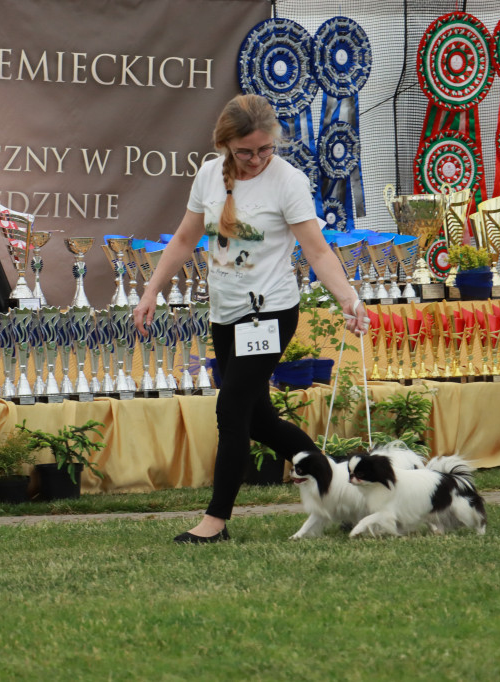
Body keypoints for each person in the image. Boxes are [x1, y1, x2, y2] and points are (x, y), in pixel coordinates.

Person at [132, 94, 368, 544]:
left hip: (271, 313)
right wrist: (150, 291)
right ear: (225, 145)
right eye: (246, 152)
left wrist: (349, 301)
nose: (257, 159)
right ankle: (333, 483)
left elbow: (317, 250)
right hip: (226, 315)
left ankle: (215, 521)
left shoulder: (288, 182)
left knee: (232, 408)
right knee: (260, 420)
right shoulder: (208, 175)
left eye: (265, 149)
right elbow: (185, 238)